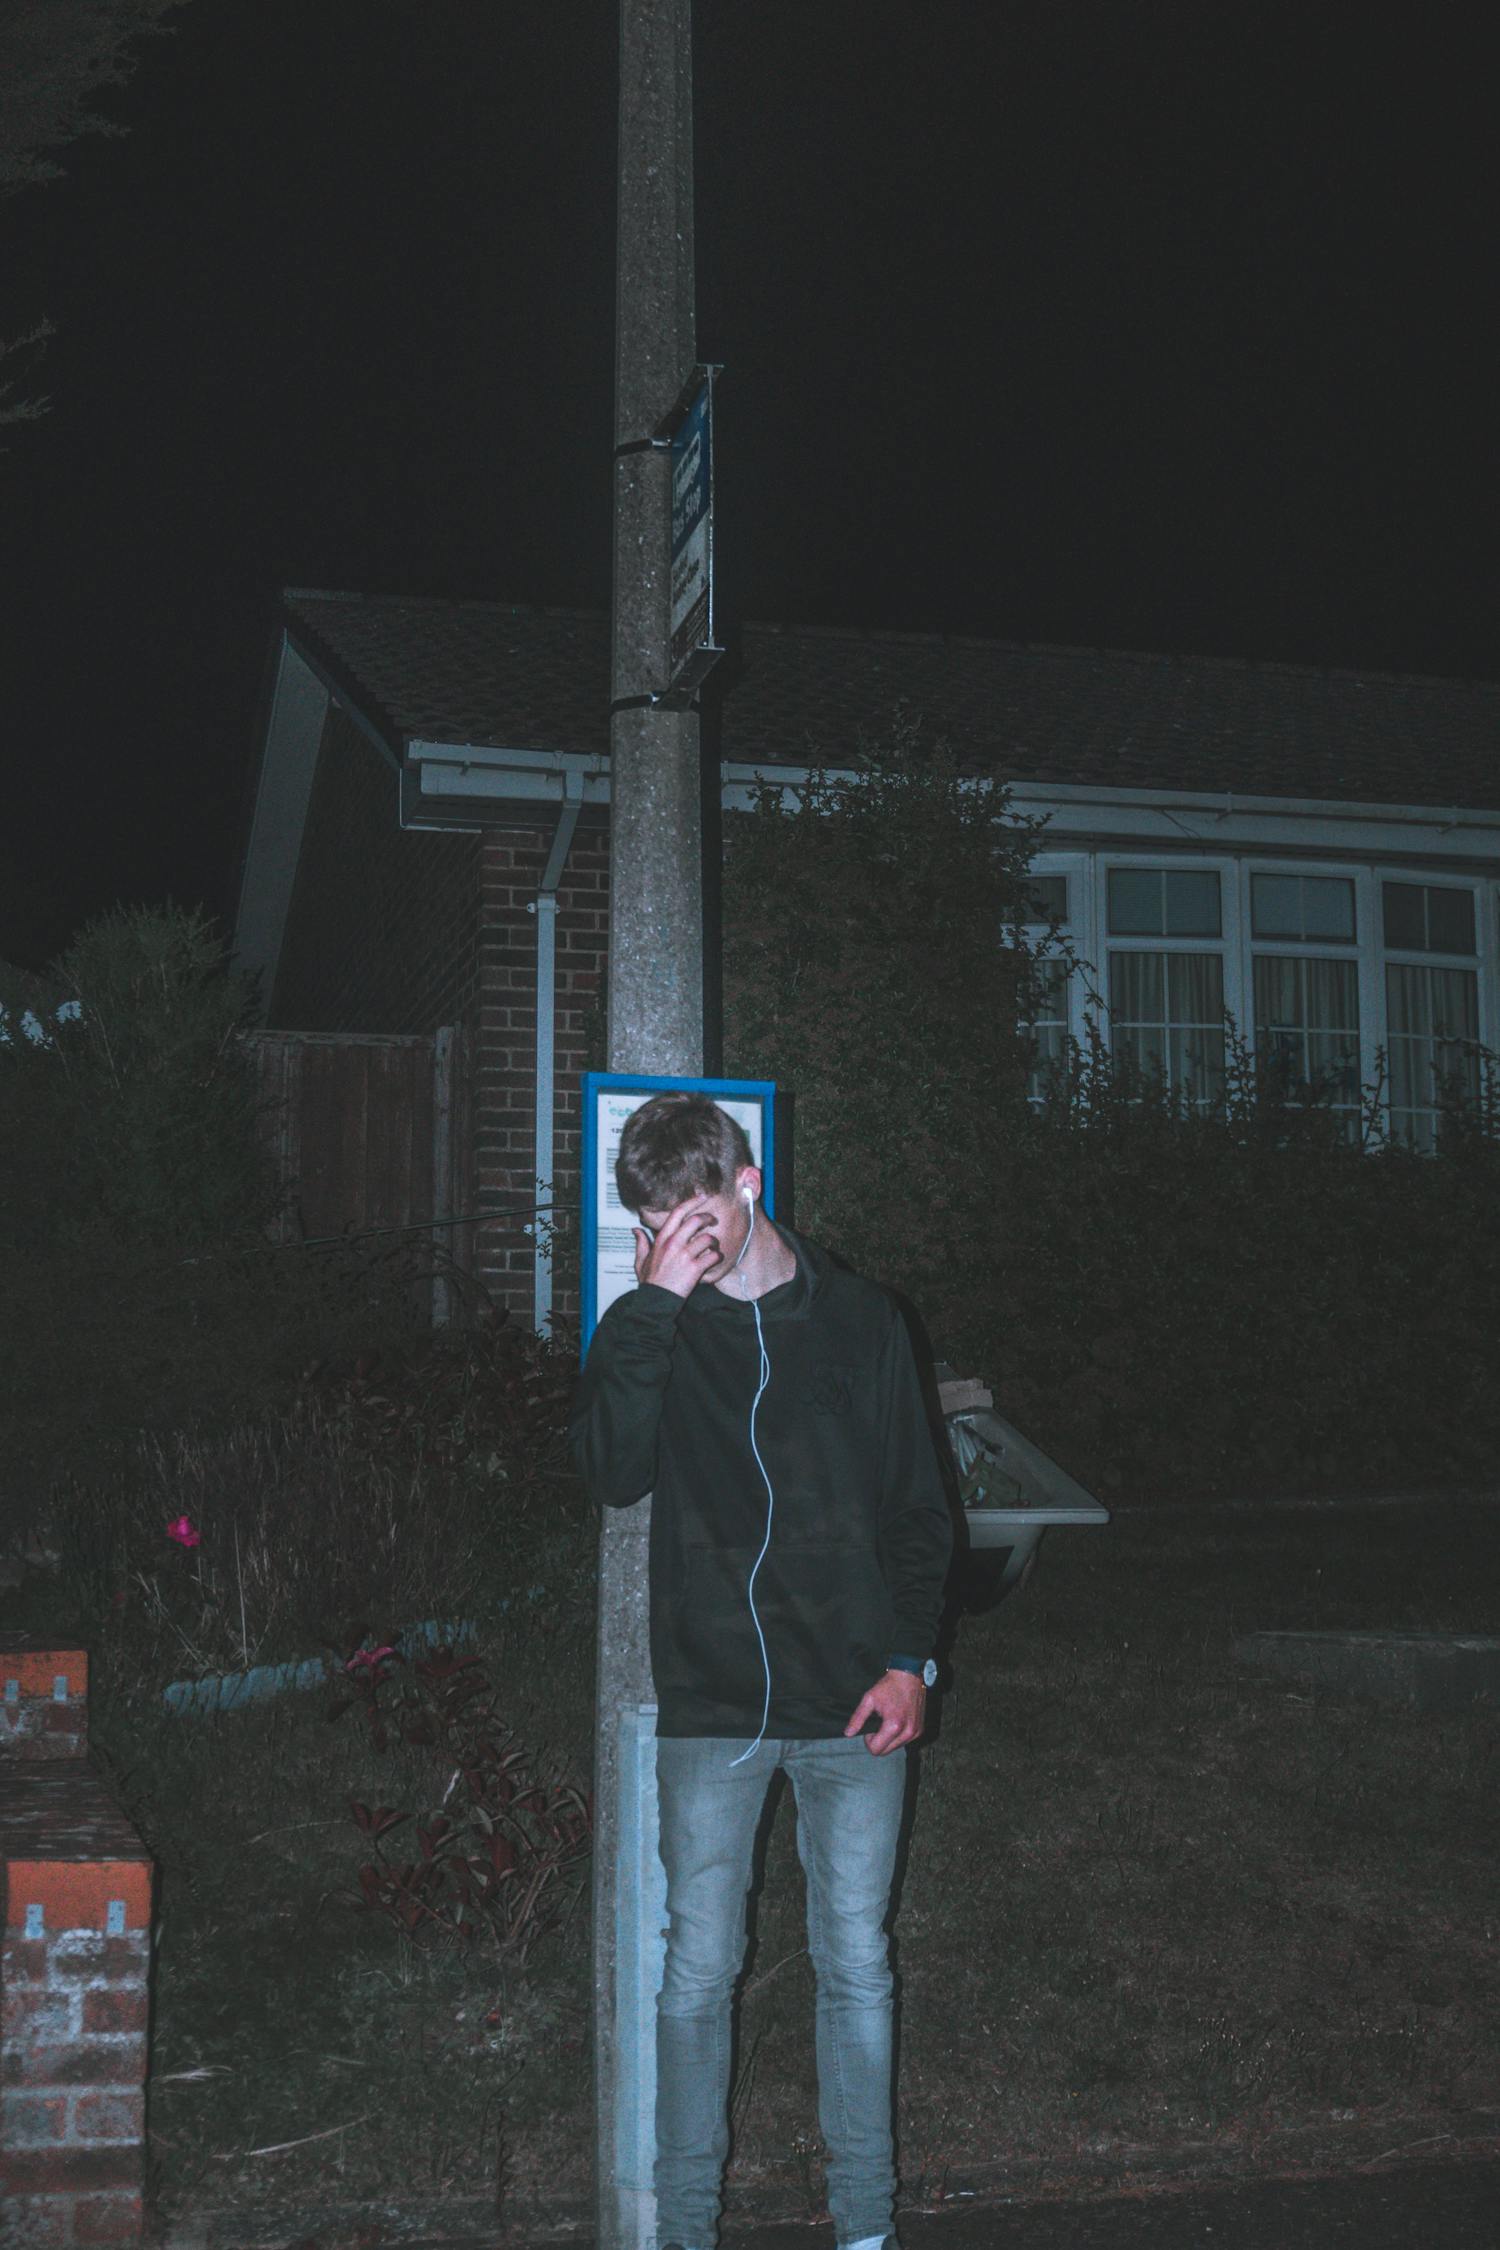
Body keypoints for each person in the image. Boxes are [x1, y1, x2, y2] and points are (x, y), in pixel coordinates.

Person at [570, 1091, 954, 2250]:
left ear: (746, 1184)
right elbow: (612, 1472)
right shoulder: (653, 1324)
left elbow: (920, 1510)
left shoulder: (863, 1319)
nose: (676, 1245)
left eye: (693, 1221)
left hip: (855, 1698)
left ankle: (867, 2227)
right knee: (697, 1971)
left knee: (857, 1964)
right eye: (653, 1229)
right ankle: (685, 2230)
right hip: (715, 1701)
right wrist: (654, 1303)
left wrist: (911, 1662)